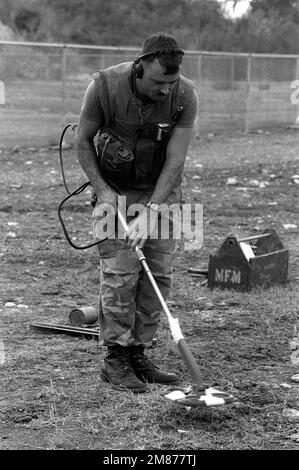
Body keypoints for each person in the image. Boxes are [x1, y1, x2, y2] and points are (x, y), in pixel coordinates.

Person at [75, 33, 199, 393]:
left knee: (156, 276)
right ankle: (115, 359)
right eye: (159, 82)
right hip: (112, 192)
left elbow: (176, 160)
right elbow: (82, 140)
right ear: (140, 65)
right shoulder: (103, 86)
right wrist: (102, 191)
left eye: (170, 82)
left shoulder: (185, 95)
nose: (165, 90)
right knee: (119, 274)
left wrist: (152, 209)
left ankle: (138, 354)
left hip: (162, 193)